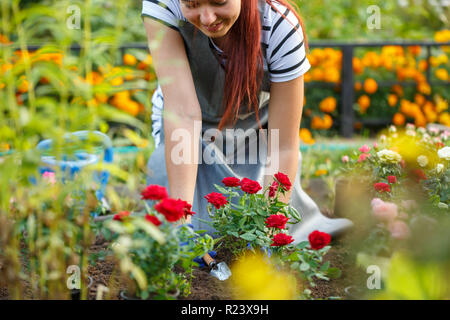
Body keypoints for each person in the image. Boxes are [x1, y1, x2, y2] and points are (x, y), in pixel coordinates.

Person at [142, 0, 353, 243]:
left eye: (219, 2)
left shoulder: (279, 27)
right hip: (187, 132)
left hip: (254, 135)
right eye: (192, 4)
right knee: (188, 223)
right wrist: (181, 225)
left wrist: (271, 231)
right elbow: (182, 115)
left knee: (246, 223)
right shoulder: (163, 5)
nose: (208, 18)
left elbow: (282, 146)